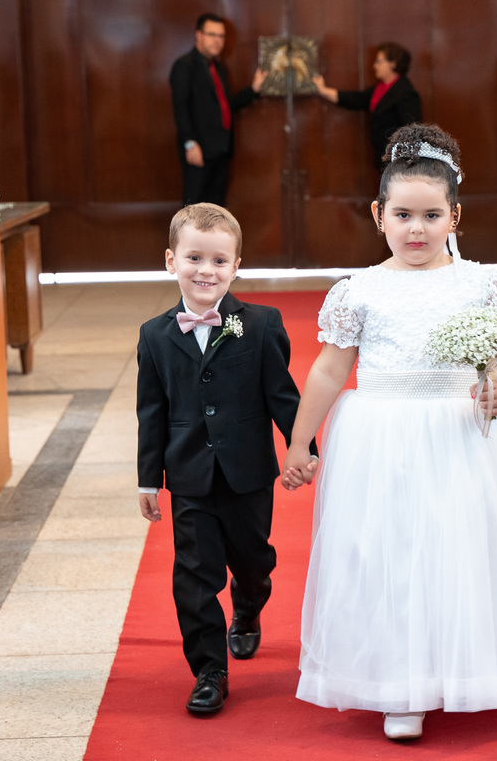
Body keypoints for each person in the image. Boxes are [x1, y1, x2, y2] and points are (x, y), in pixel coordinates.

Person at [281, 124, 497, 741]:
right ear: (378, 216)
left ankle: (476, 665)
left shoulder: (482, 284)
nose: (417, 229)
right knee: (390, 554)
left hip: (461, 434)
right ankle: (402, 685)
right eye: (403, 215)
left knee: (464, 550)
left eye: (432, 215)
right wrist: (300, 440)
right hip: (382, 438)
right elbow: (328, 369)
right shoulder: (360, 291)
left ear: (456, 215)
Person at [136, 203, 314, 714]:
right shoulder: (154, 334)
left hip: (247, 473)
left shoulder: (259, 324)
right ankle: (209, 670)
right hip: (189, 475)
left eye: (219, 260)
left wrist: (303, 448)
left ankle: (249, 607)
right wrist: (150, 479)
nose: (205, 271)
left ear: (236, 266)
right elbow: (151, 412)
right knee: (192, 577)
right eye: (194, 257)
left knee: (255, 561)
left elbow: (283, 395)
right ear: (171, 260)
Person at [169, 13, 266, 206]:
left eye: (221, 36)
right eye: (212, 34)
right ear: (198, 35)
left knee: (216, 209)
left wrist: (254, 90)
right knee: (193, 209)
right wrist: (190, 143)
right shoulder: (184, 67)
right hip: (199, 150)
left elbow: (226, 104)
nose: (217, 40)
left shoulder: (218, 68)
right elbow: (180, 107)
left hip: (221, 150)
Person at [312, 42, 422, 168]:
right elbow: (354, 99)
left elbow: (414, 130)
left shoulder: (405, 92)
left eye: (379, 61)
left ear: (393, 64)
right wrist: (323, 90)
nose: (375, 66)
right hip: (384, 156)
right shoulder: (380, 89)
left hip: (400, 161)